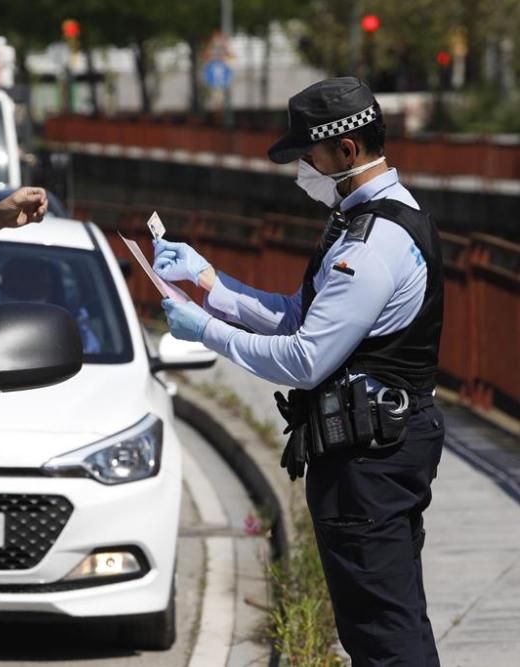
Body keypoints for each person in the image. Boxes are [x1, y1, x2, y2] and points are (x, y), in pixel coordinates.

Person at [154, 77, 444, 666]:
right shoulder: (378, 217)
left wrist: (206, 332)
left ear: (346, 151)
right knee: (395, 616)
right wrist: (210, 283)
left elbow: (306, 358)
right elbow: (298, 314)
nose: (302, 170)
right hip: (383, 449)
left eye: (308, 156)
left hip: (370, 462)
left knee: (381, 634)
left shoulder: (368, 245)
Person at [0, 256, 101, 353]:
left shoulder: (73, 329)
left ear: (51, 290)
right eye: (15, 287)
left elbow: (88, 355)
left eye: (34, 284)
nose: (24, 290)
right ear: (3, 288)